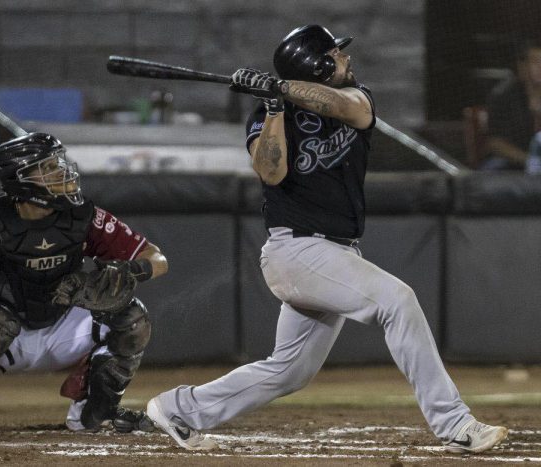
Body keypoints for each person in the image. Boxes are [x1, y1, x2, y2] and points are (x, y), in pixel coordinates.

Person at [146, 24, 509, 454]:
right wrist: (274, 106)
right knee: (397, 300)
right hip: (295, 249)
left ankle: (179, 408)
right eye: (336, 54)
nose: (345, 58)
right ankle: (455, 424)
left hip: (334, 250)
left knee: (290, 372)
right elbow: (271, 171)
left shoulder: (357, 97)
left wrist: (282, 87)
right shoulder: (266, 116)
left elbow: (343, 105)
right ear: (317, 64)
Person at [0, 132, 167, 436]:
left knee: (133, 318)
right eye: (47, 167)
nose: (61, 172)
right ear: (20, 180)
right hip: (3, 337)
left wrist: (132, 270)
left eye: (58, 164)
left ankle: (93, 414)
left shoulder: (82, 216)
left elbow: (157, 258)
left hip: (61, 328)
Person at [482, 39, 541, 170]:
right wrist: (530, 161)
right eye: (536, 61)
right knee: (492, 169)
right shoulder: (502, 95)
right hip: (511, 161)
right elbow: (495, 143)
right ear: (522, 66)